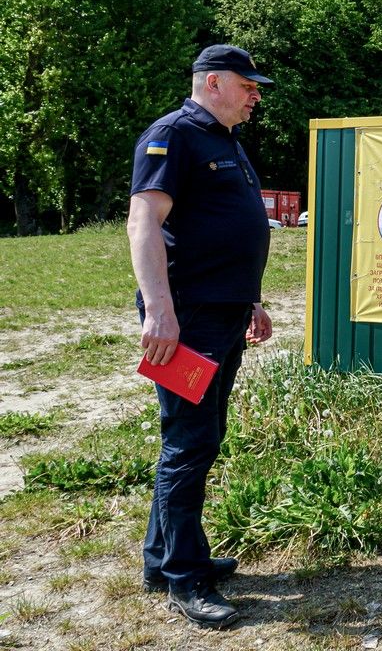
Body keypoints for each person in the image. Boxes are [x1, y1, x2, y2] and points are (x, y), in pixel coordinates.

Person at [127, 44, 275, 630]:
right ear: (213, 82)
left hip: (224, 313)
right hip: (187, 319)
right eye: (248, 84)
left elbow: (227, 228)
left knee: (200, 437)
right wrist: (160, 311)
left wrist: (252, 300)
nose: (255, 95)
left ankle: (162, 559)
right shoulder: (173, 135)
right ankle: (186, 579)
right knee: (190, 442)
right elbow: (144, 222)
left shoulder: (226, 141)